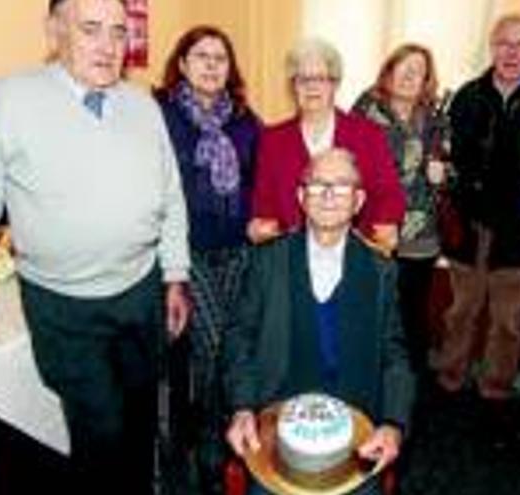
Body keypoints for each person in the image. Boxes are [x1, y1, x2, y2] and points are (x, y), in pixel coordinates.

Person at [0, 0, 191, 492]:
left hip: (141, 292)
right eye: (91, 29)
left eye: (119, 32)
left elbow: (171, 196)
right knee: (100, 436)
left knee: (138, 424)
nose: (110, 46)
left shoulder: (143, 105)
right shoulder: (7, 99)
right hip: (65, 308)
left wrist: (175, 275)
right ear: (53, 31)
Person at [224, 148, 415, 495]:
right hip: (275, 427)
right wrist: (242, 407)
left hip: (357, 433)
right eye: (317, 185)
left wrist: (394, 423)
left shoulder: (381, 270)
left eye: (342, 185)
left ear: (358, 201)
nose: (328, 195)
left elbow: (395, 355)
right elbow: (240, 338)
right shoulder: (267, 261)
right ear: (301, 196)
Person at [431, 14, 520, 402]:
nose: (511, 52)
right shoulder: (467, 95)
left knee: (507, 320)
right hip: (470, 224)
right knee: (461, 311)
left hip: (519, 226)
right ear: (492, 47)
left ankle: (496, 388)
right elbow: (451, 154)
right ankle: (449, 379)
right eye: (504, 43)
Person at [154, 25, 260, 494]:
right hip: (185, 252)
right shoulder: (158, 116)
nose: (213, 65)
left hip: (239, 251)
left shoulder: (244, 120)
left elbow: (260, 180)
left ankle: (214, 436)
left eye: (221, 57)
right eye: (201, 56)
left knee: (232, 344)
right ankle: (211, 446)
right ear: (182, 64)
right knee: (213, 346)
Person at [248, 38, 406, 254]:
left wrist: (384, 228)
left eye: (321, 78)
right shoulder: (273, 139)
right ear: (293, 86)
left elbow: (389, 194)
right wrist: (262, 226)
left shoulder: (368, 134)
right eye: (303, 79)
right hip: (292, 258)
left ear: (335, 84)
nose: (312, 87)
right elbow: (264, 202)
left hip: (355, 255)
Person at [351, 44, 449, 377]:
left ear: (426, 79)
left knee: (412, 314)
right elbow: (347, 166)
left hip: (421, 235)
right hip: (374, 231)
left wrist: (444, 173)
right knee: (372, 309)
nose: (409, 76)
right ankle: (368, 379)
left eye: (417, 70)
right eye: (402, 67)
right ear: (388, 72)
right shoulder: (364, 111)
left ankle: (409, 384)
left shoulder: (436, 116)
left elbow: (452, 165)